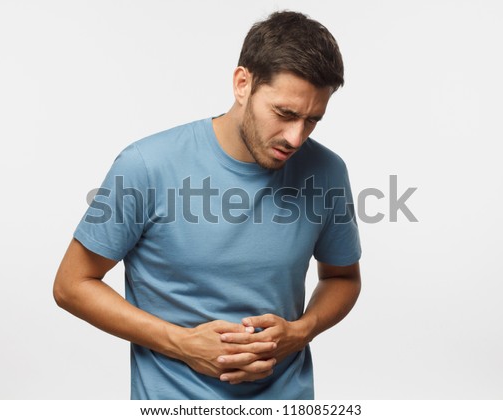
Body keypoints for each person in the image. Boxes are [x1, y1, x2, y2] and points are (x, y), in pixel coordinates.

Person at [53, 10, 362, 400]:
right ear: (242, 84)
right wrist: (180, 342)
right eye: (284, 113)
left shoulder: (327, 171)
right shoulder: (146, 165)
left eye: (312, 120)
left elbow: (342, 278)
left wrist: (302, 331)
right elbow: (71, 285)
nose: (295, 137)